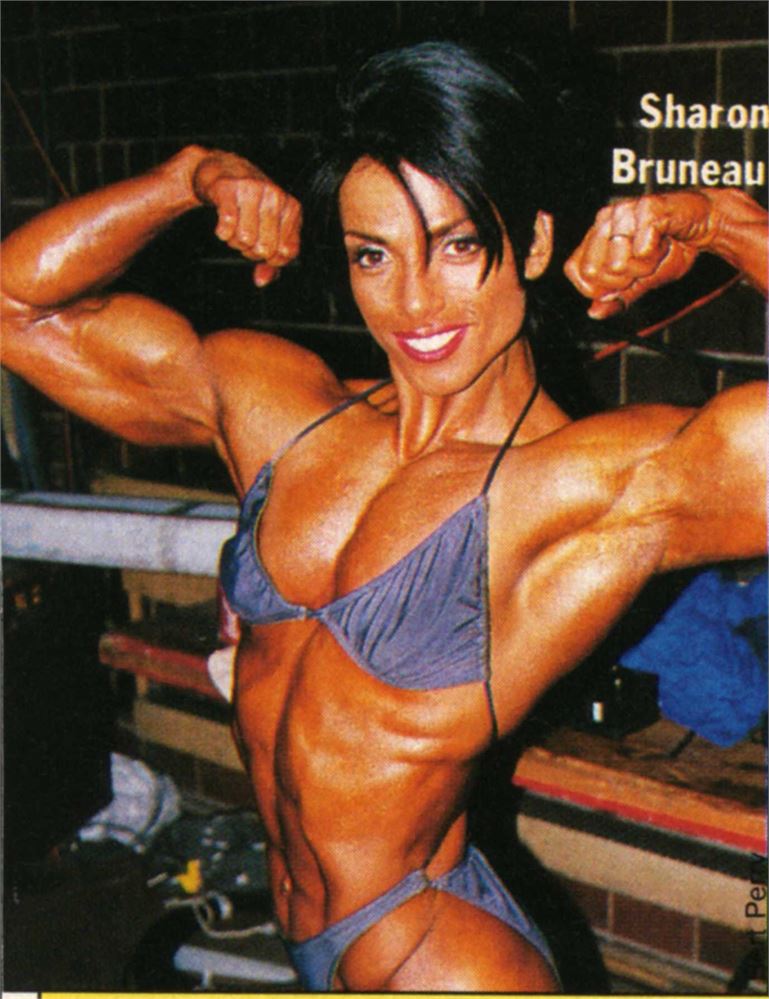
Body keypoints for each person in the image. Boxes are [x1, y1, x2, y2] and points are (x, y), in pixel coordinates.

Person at [2, 40, 766, 993]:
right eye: (373, 254)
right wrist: (185, 180)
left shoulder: (582, 484)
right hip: (300, 921)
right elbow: (16, 306)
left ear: (532, 245)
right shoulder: (282, 409)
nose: (413, 300)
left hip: (435, 953)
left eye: (456, 245)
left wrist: (723, 223)